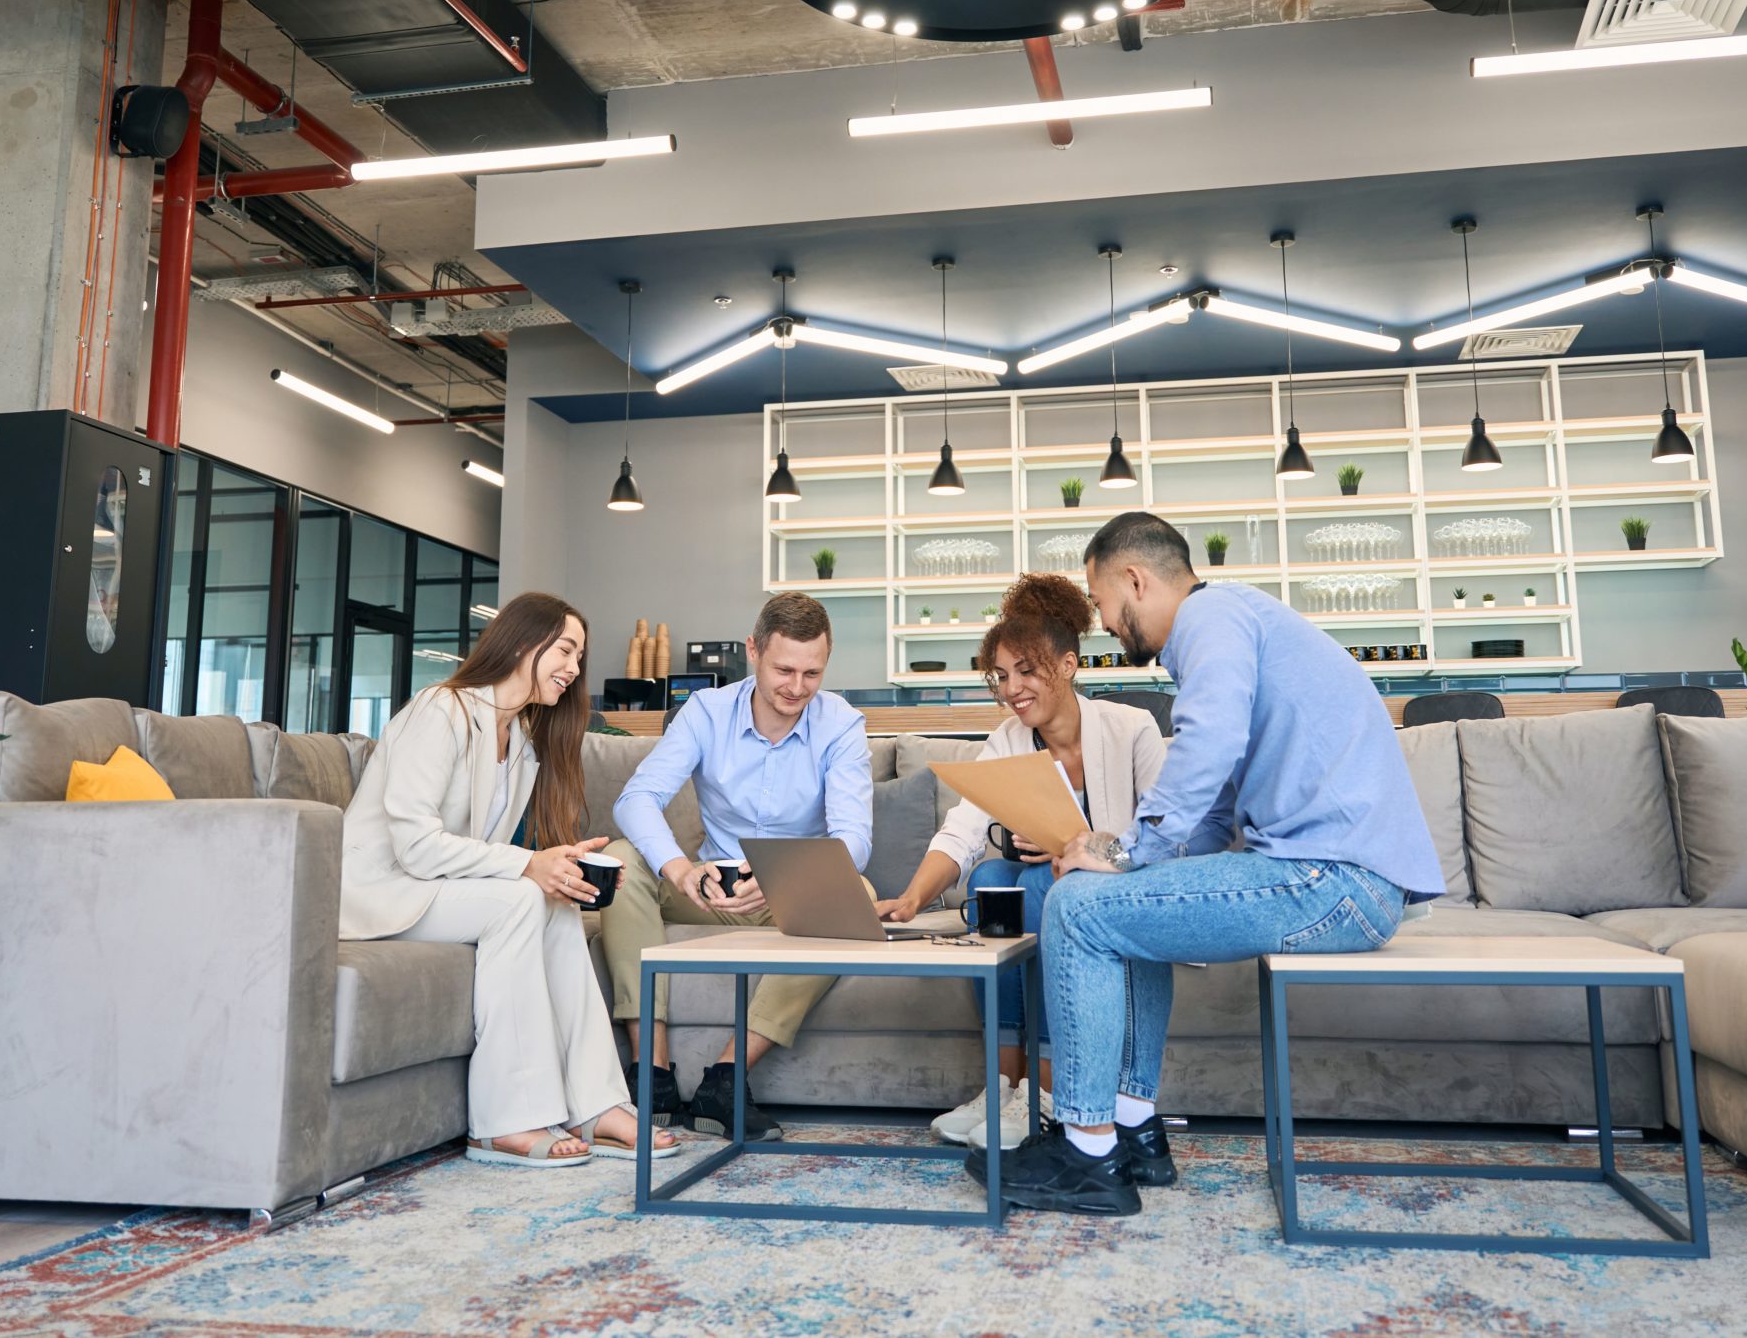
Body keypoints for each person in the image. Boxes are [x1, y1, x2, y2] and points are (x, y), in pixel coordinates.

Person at [971, 512, 1446, 1216]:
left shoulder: (1212, 618)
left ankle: (1086, 1152)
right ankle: (1134, 1128)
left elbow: (1208, 744)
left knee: (1076, 906)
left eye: (1102, 601)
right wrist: (1131, 864)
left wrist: (1126, 849)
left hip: (1330, 877)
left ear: (1135, 579)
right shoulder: (1239, 623)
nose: (1102, 620)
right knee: (1124, 898)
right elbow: (1216, 811)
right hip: (1334, 877)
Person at [338, 592, 678, 1169]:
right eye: (565, 650)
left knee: (556, 902)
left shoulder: (518, 740)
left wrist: (554, 861)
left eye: (578, 656)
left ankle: (596, 1105)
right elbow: (416, 844)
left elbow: (484, 850)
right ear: (522, 643)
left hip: (434, 888)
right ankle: (504, 1121)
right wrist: (528, 866)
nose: (574, 669)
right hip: (381, 892)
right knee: (523, 896)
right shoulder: (439, 710)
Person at [872, 573, 1167, 1146]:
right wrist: (912, 898)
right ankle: (1005, 1084)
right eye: (1002, 676)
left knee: (1035, 884)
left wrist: (1078, 843)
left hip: (1116, 890)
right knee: (989, 880)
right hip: (1043, 888)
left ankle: (1050, 1089)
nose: (1012, 689)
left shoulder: (1131, 728)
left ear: (1067, 665)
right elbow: (961, 831)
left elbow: (1163, 832)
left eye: (1027, 671)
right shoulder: (1009, 737)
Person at [603, 592, 874, 1142]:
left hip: (789, 901)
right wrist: (679, 870)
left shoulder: (842, 725)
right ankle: (650, 1077)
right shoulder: (706, 712)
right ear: (753, 651)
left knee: (859, 893)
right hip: (707, 890)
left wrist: (786, 881)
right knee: (620, 859)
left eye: (812, 673)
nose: (796, 688)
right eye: (783, 669)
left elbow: (854, 839)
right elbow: (636, 800)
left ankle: (725, 1081)